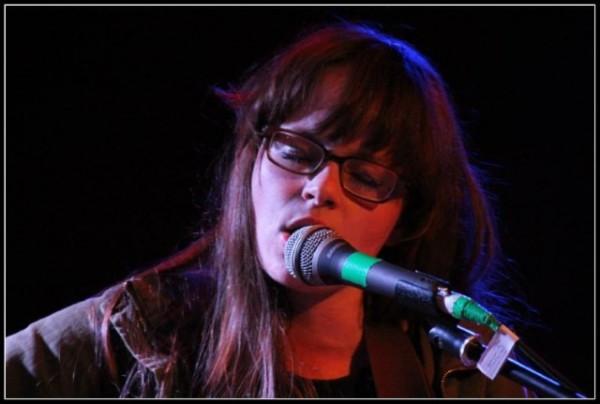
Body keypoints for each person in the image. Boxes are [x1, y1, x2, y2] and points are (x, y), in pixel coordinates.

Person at [6, 21, 536, 398]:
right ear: (250, 159)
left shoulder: (458, 374)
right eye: (297, 153)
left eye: (367, 178)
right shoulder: (135, 334)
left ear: (406, 217)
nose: (320, 188)